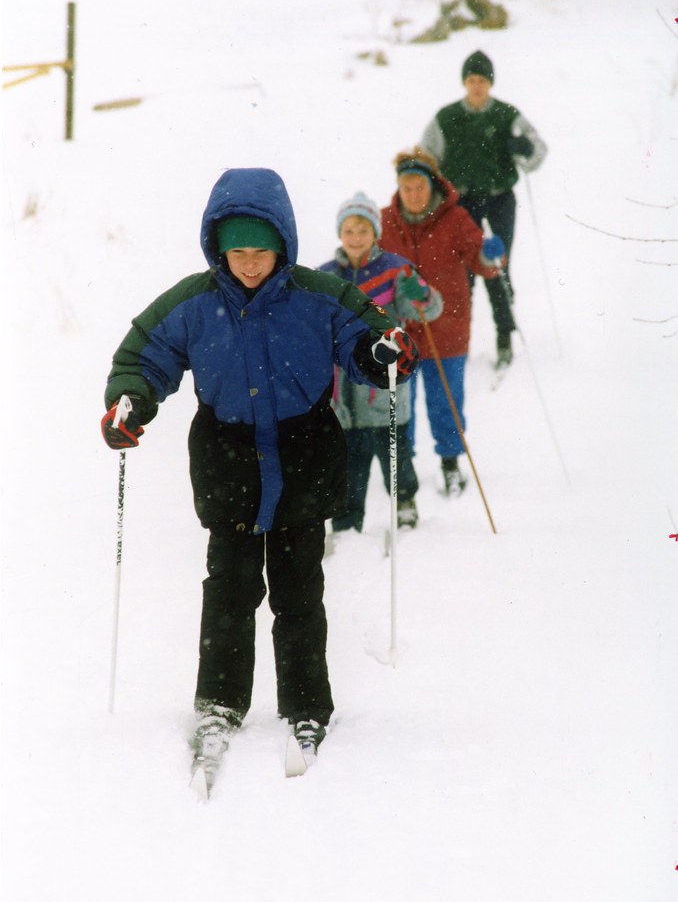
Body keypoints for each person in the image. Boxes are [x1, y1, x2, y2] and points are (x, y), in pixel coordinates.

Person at [100, 167, 418, 771]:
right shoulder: (194, 303)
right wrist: (132, 400)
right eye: (238, 252)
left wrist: (383, 355)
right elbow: (145, 353)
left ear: (284, 247)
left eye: (261, 252)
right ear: (219, 249)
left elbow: (368, 339)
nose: (249, 264)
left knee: (300, 592)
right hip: (227, 461)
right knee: (229, 589)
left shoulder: (319, 296)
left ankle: (306, 705)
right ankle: (220, 701)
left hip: (303, 457)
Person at [380, 147, 504, 496]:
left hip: (447, 327)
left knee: (445, 400)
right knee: (401, 405)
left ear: (432, 185)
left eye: (419, 187)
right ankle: (401, 469)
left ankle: (450, 464)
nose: (414, 195)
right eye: (407, 188)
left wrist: (489, 255)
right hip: (400, 332)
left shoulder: (455, 219)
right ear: (399, 188)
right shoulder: (385, 221)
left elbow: (480, 261)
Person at [318, 191, 443, 534]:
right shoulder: (325, 275)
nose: (356, 238)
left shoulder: (395, 270)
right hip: (342, 392)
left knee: (396, 456)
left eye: (363, 230)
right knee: (348, 464)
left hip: (386, 386)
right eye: (349, 231)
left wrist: (422, 294)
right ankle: (346, 520)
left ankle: (404, 502)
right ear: (340, 234)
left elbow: (431, 309)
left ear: (375, 232)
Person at [421, 49, 547, 367]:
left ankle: (505, 335)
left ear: (490, 83)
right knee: (463, 272)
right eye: (472, 79)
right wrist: (431, 194)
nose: (477, 86)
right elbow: (425, 159)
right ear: (465, 82)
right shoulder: (447, 117)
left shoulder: (507, 115)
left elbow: (538, 151)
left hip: (499, 198)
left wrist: (524, 148)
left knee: (497, 263)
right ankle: (458, 340)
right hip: (461, 203)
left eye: (482, 80)